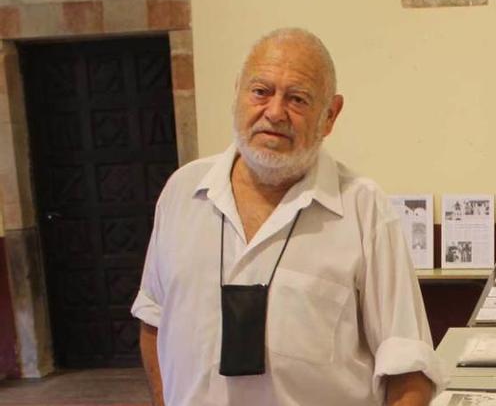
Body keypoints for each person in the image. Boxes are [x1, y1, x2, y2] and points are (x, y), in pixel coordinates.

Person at [131, 28, 445, 405]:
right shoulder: (181, 192)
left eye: (297, 99)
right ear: (237, 94)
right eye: (260, 91)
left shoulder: (364, 209)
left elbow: (408, 368)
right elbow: (154, 321)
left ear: (330, 115)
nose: (275, 112)